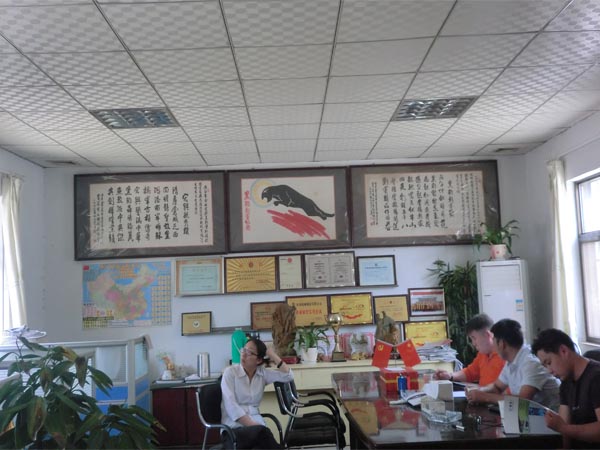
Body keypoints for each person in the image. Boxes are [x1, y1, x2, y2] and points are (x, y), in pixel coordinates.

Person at [466, 318, 560, 410]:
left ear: (502, 343)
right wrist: (478, 391)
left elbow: (523, 401)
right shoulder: (511, 360)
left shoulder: (531, 362)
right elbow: (497, 387)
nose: (493, 345)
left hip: (552, 417)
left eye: (493, 339)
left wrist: (484, 397)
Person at [532, 328, 600, 448]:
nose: (549, 371)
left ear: (563, 351)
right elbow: (564, 423)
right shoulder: (566, 382)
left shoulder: (596, 378)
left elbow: (563, 426)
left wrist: (563, 428)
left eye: (549, 362)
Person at [221, 337, 293, 449]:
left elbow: (288, 376)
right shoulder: (230, 373)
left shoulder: (262, 374)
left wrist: (272, 354)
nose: (243, 354)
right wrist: (255, 426)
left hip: (257, 430)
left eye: (249, 352)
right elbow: (231, 406)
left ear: (258, 360)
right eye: (243, 350)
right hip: (233, 429)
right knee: (264, 436)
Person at [434, 313, 504, 386]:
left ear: (487, 335)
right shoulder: (482, 354)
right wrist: (450, 376)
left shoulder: (505, 357)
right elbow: (469, 373)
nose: (473, 343)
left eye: (474, 338)